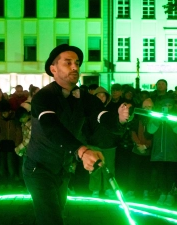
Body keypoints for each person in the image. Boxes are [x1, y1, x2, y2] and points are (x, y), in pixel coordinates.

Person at [23, 44, 130, 225]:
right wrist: (82, 151)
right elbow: (52, 128)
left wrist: (119, 120)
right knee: (51, 218)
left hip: (62, 170)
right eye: (68, 62)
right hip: (38, 168)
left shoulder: (86, 98)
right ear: (53, 69)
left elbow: (102, 117)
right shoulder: (43, 97)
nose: (75, 67)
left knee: (57, 213)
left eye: (77, 63)